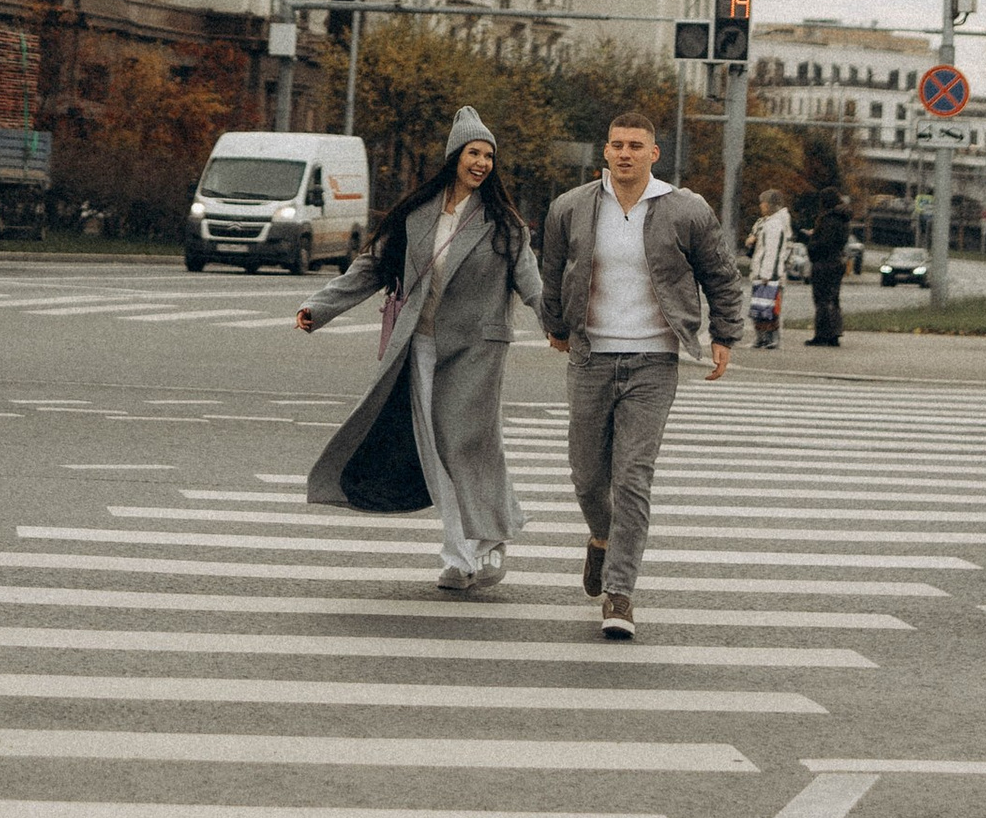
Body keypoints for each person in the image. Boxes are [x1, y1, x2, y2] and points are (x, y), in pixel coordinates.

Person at [296, 107, 541, 594]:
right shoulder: (417, 216)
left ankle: (487, 540)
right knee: (434, 452)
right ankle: (462, 556)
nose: (482, 163)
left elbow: (530, 282)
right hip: (420, 347)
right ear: (455, 157)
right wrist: (318, 308)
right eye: (474, 153)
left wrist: (559, 324)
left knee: (465, 445)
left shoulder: (504, 224)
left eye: (489, 156)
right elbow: (370, 267)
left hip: (476, 351)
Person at [539, 113, 742, 641]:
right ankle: (601, 539)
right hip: (590, 356)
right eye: (616, 145)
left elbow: (720, 274)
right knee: (588, 477)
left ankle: (620, 592)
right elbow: (552, 269)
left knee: (632, 476)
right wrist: (555, 325)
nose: (624, 153)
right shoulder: (571, 207)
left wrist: (724, 334)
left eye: (635, 146)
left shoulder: (685, 209)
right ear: (605, 152)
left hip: (654, 360)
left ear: (654, 153)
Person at [793, 136, 854, 348]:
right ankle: (834, 333)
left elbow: (823, 243)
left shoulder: (829, 219)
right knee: (833, 299)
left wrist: (811, 239)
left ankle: (822, 334)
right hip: (837, 262)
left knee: (821, 300)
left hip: (824, 264)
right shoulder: (842, 219)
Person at [747, 195, 793, 350]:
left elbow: (772, 251)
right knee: (762, 305)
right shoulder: (767, 222)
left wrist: (767, 273)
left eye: (763, 202)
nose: (761, 205)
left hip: (769, 273)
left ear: (769, 205)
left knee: (769, 306)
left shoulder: (775, 224)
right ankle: (764, 337)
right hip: (765, 270)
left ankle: (768, 337)